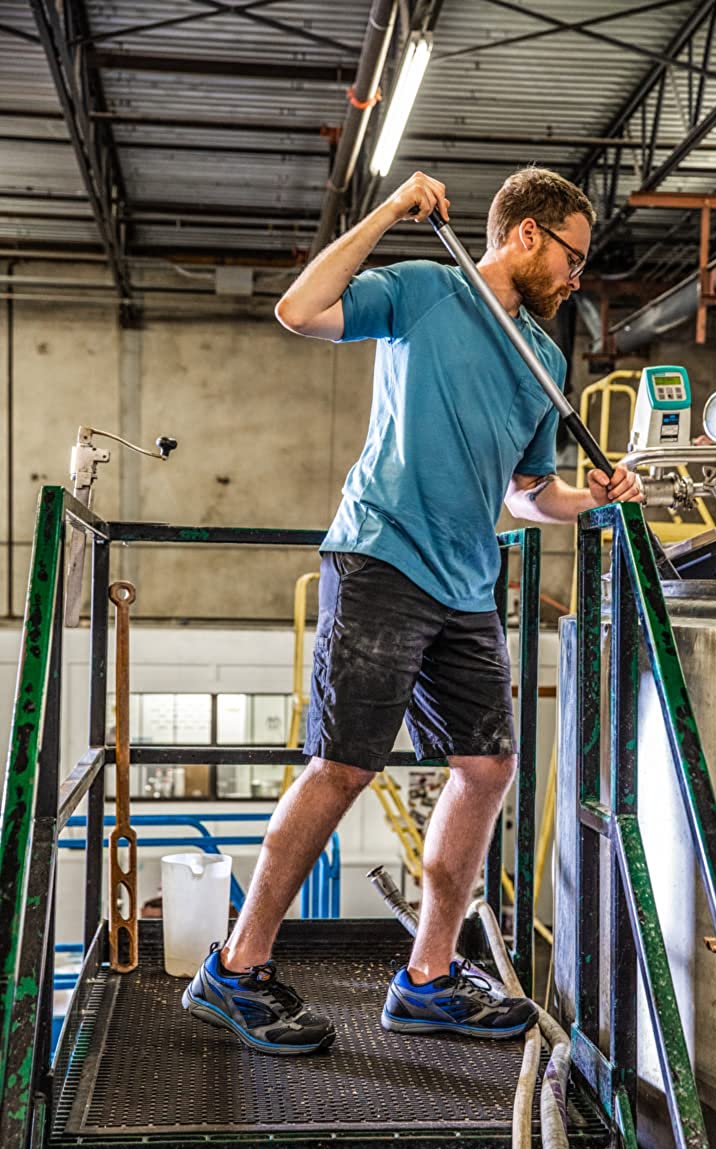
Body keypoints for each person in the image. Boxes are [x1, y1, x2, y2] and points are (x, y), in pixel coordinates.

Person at [182, 167, 642, 1055]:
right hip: (383, 557)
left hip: (467, 583)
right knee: (343, 768)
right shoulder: (429, 291)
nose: (576, 277)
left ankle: (428, 977)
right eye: (573, 257)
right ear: (527, 234)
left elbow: (526, 493)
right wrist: (391, 210)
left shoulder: (544, 361)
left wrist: (590, 497)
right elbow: (300, 309)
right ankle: (237, 967)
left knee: (487, 768)